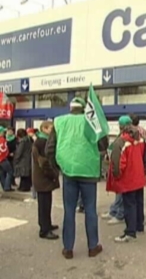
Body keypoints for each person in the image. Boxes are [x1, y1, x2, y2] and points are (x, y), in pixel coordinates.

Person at [46, 97, 108, 259]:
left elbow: (49, 149)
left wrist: (58, 167)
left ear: (70, 108)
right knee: (90, 210)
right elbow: (103, 145)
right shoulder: (91, 122)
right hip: (88, 172)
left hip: (69, 172)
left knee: (69, 211)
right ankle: (93, 247)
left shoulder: (59, 122)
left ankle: (68, 249)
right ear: (83, 109)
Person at [107, 115, 146, 242]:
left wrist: (116, 176)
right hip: (139, 175)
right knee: (139, 202)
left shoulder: (122, 141)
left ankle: (130, 231)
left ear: (120, 126)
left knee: (129, 204)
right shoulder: (140, 138)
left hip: (128, 178)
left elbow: (118, 163)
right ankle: (139, 225)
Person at [102, 116, 133, 225]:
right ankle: (114, 210)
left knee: (121, 192)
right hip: (120, 166)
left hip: (123, 168)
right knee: (118, 192)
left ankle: (119, 214)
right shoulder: (122, 136)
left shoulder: (128, 137)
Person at [32, 121, 60, 240]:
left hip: (42, 178)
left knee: (46, 203)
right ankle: (44, 230)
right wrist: (53, 174)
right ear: (44, 128)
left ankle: (47, 224)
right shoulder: (42, 142)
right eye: (51, 129)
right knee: (44, 204)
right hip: (43, 178)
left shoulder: (40, 140)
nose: (53, 131)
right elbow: (44, 163)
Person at [0, 126, 13, 192]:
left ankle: (4, 185)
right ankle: (7, 187)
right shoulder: (2, 139)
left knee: (1, 172)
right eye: (3, 131)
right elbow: (4, 149)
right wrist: (8, 154)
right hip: (2, 159)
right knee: (10, 171)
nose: (4, 133)